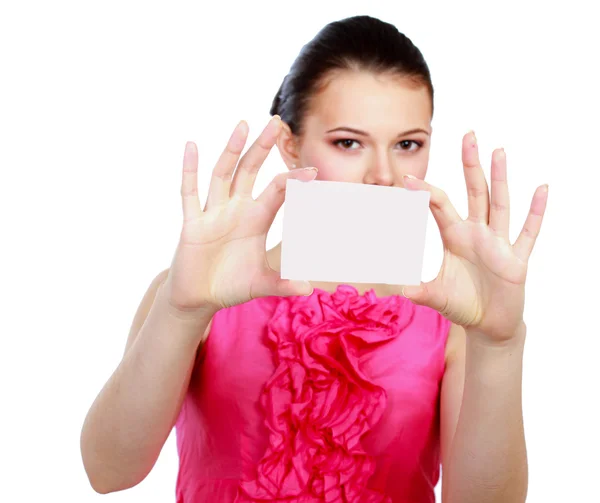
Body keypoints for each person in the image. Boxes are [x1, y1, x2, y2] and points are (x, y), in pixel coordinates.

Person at [80, 15, 548, 503]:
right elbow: (107, 471)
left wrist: (500, 345)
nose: (383, 175)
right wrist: (181, 312)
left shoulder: (451, 324)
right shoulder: (195, 293)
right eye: (348, 142)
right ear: (289, 144)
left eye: (408, 144)